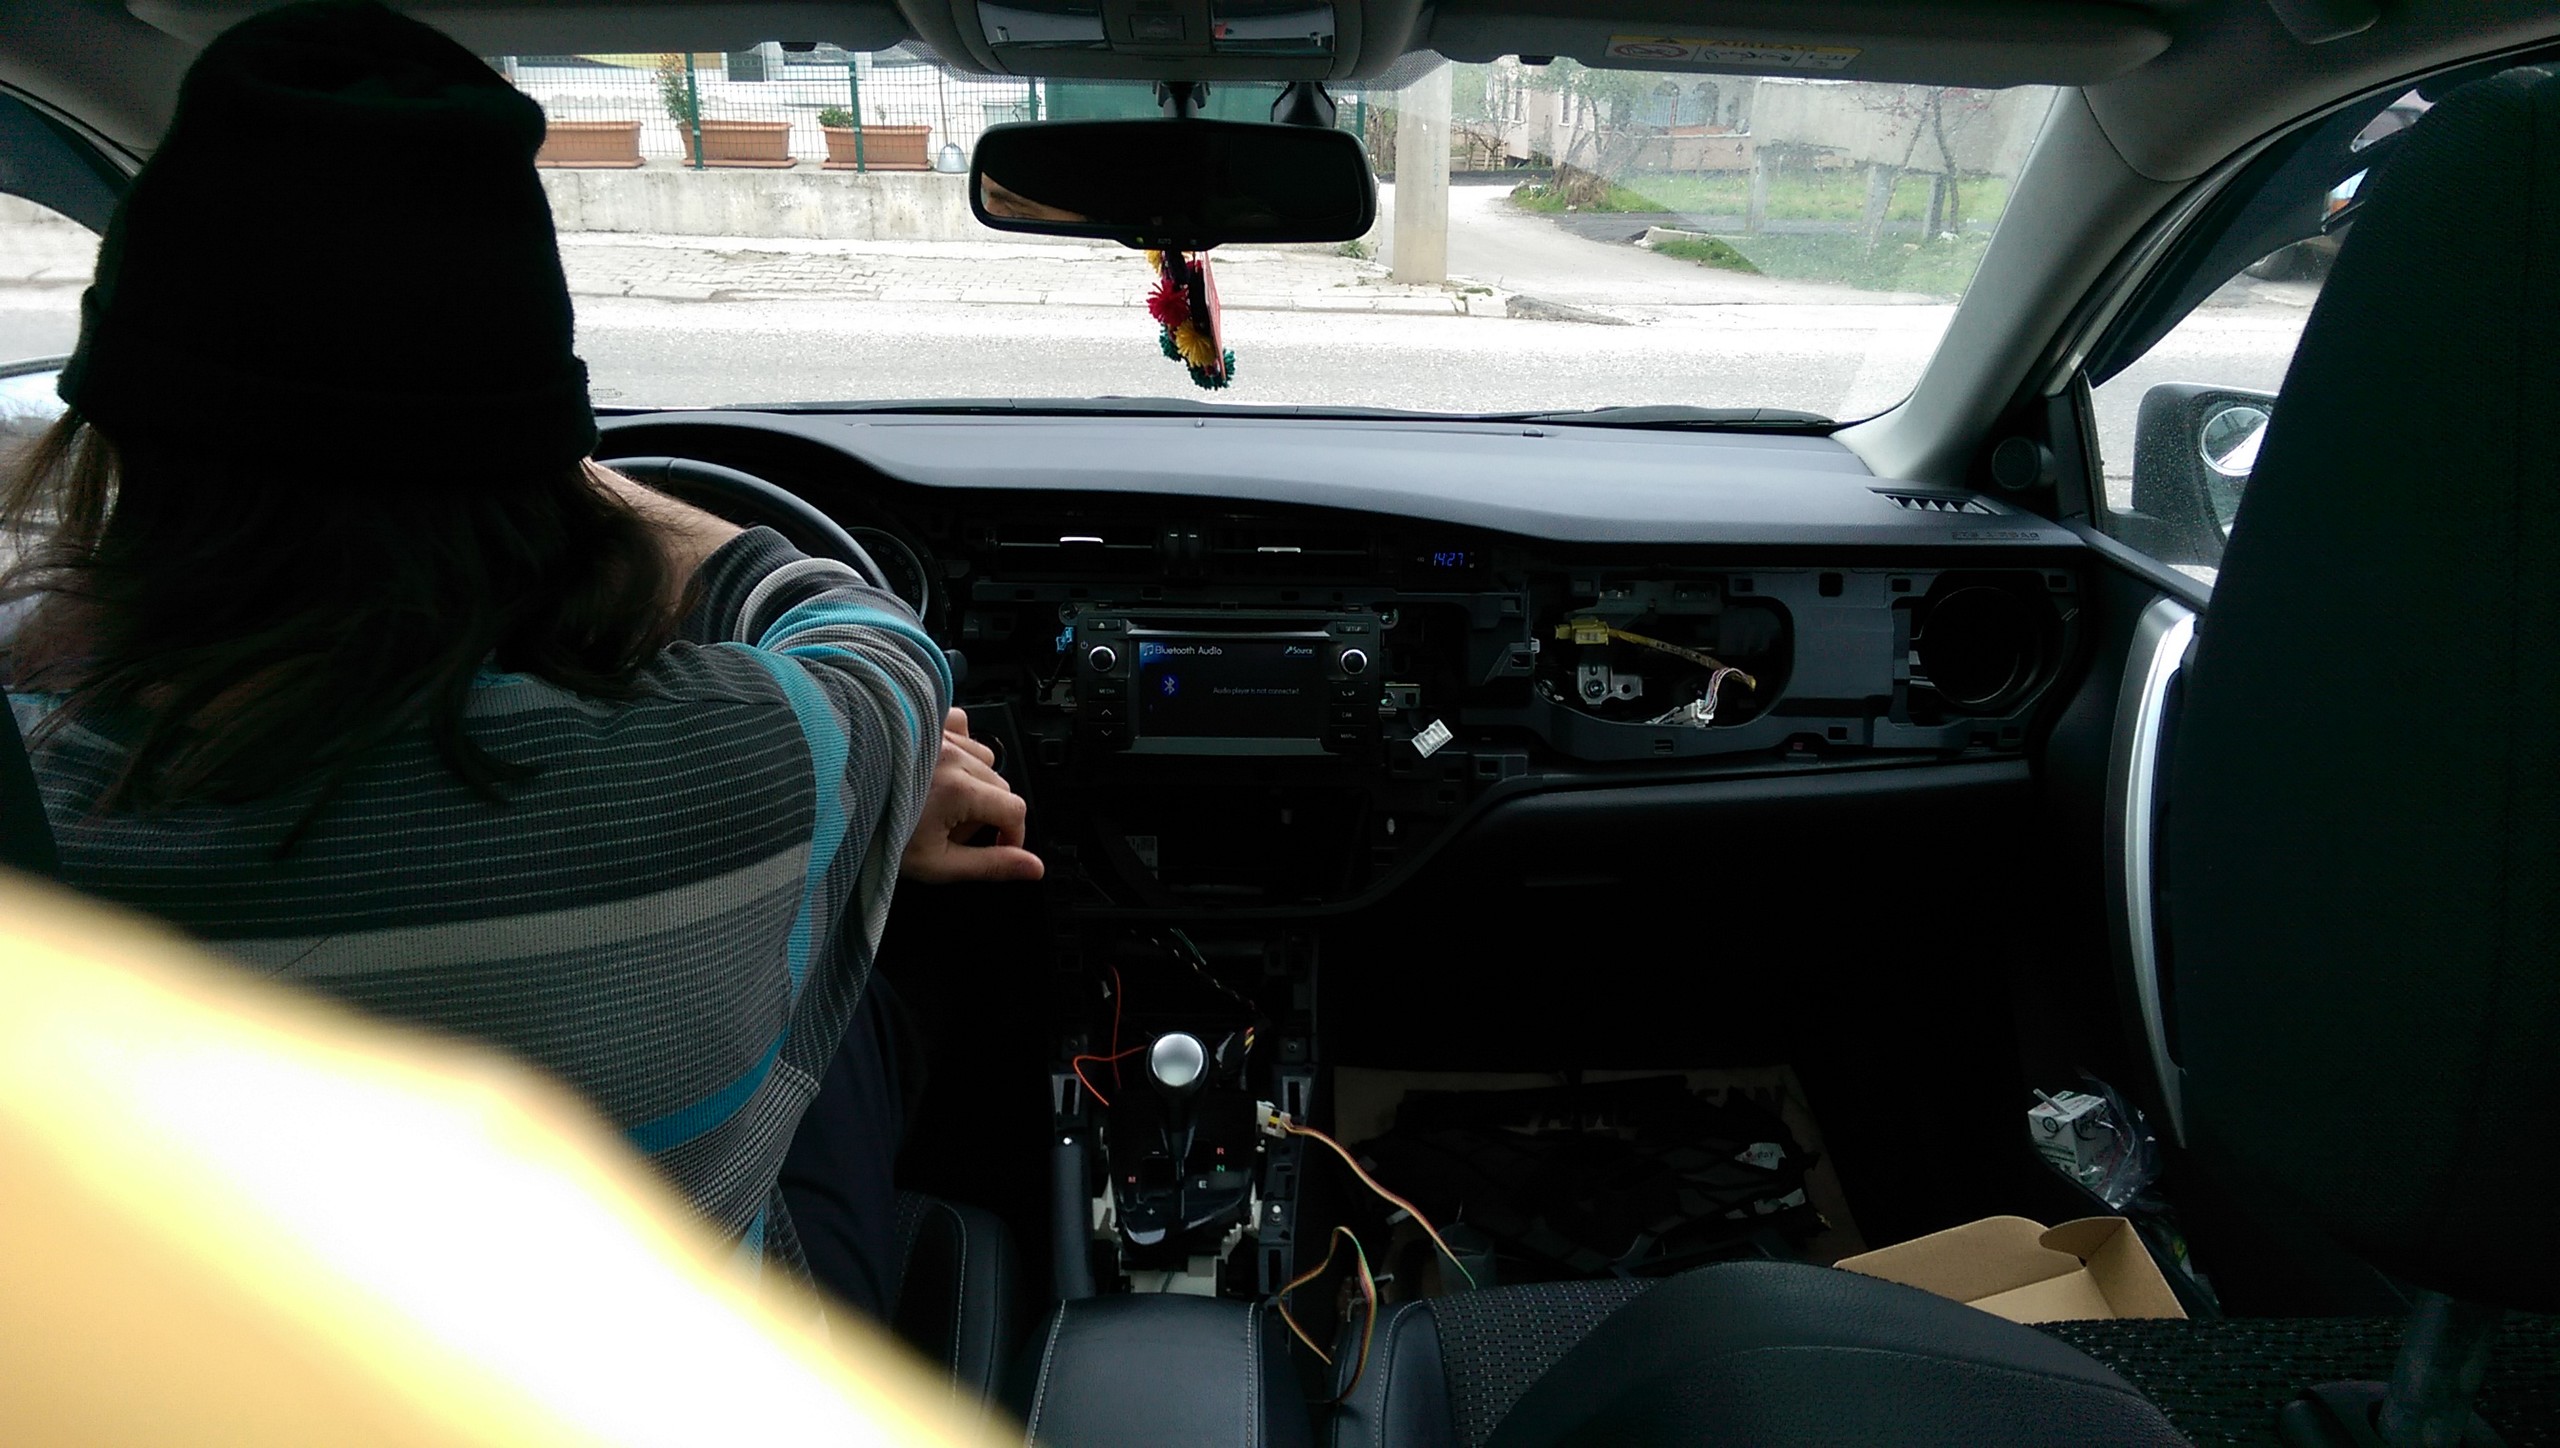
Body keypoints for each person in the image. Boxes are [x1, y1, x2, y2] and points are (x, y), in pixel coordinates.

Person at [0, 0, 1040, 1312]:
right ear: (533, 453)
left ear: (116, 442)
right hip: (641, 1379)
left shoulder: (31, 802)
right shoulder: (755, 759)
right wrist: (544, 461)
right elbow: (874, 636)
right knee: (862, 997)